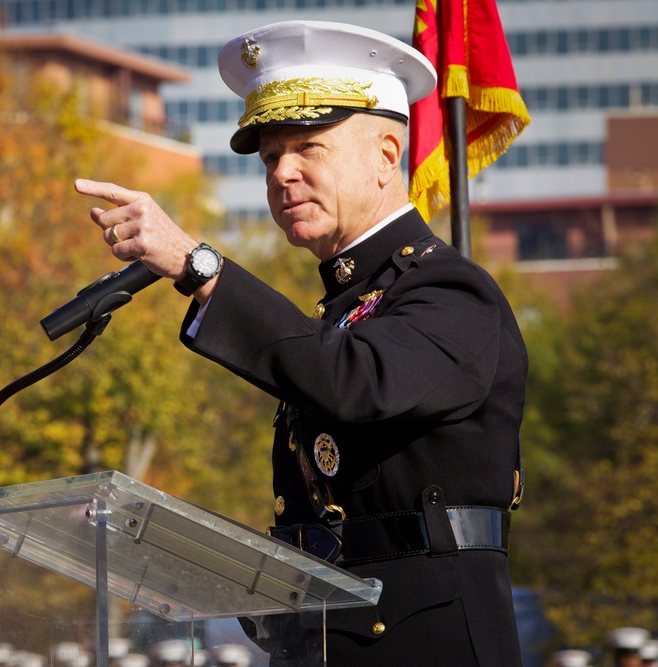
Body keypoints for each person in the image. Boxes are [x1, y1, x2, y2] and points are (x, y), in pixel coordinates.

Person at [75, 19, 527, 667]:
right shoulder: (345, 309)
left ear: (388, 155)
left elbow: (358, 382)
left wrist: (201, 268)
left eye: (308, 148)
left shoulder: (454, 293)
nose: (282, 173)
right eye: (268, 158)